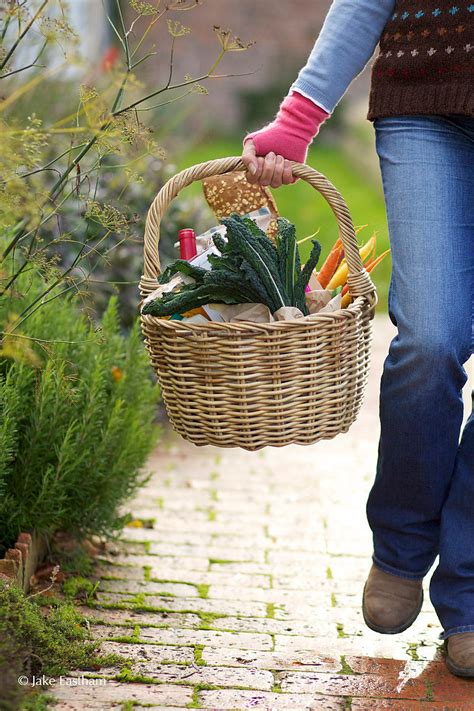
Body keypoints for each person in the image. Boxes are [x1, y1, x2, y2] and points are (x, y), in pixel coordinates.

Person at [242, 0, 474, 677]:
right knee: (431, 339)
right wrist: (298, 119)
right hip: (425, 98)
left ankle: (467, 594)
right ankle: (401, 546)